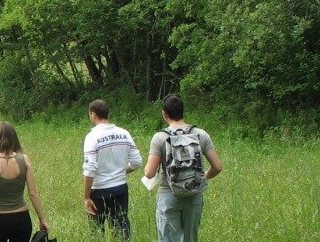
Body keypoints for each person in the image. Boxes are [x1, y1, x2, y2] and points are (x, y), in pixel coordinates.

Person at [144, 94, 223, 242]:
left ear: (164, 114)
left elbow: (149, 173)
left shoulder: (160, 138)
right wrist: (201, 177)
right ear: (182, 111)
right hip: (194, 195)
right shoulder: (201, 135)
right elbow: (218, 166)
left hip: (169, 196)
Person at [0, 121, 50, 242]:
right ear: (14, 138)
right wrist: (42, 219)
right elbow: (33, 193)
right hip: (21, 218)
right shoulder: (24, 160)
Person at [83, 99, 143, 240]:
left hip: (98, 191)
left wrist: (86, 197)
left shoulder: (92, 137)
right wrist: (121, 172)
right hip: (120, 188)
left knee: (97, 231)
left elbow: (90, 168)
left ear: (93, 114)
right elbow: (137, 162)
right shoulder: (124, 134)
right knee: (121, 229)